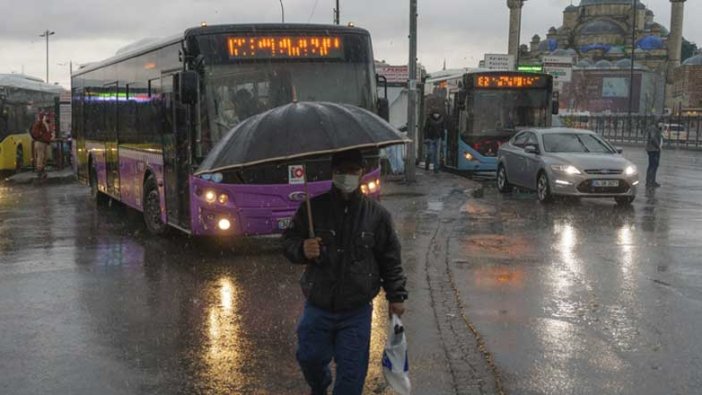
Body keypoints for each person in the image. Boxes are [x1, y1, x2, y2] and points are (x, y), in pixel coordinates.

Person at [283, 149, 408, 395]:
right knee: (309, 358)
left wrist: (396, 295)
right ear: (332, 172)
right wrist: (301, 248)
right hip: (318, 307)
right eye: (341, 171)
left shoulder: (377, 215)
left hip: (356, 312)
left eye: (353, 171)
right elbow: (288, 241)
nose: (347, 176)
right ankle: (319, 386)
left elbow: (390, 258)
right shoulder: (313, 209)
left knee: (351, 378)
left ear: (362, 172)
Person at [30, 114, 53, 179]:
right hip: (40, 142)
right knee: (40, 156)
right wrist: (41, 135)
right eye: (46, 117)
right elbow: (35, 132)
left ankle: (42, 169)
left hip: (44, 142)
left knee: (44, 156)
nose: (48, 118)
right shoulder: (40, 123)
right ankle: (40, 170)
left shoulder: (46, 124)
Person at [644, 116, 663, 189]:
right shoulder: (653, 128)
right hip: (653, 150)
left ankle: (652, 181)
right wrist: (658, 146)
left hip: (655, 149)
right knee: (652, 166)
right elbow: (653, 138)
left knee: (654, 165)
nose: (661, 124)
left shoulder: (656, 128)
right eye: (660, 122)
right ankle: (649, 181)